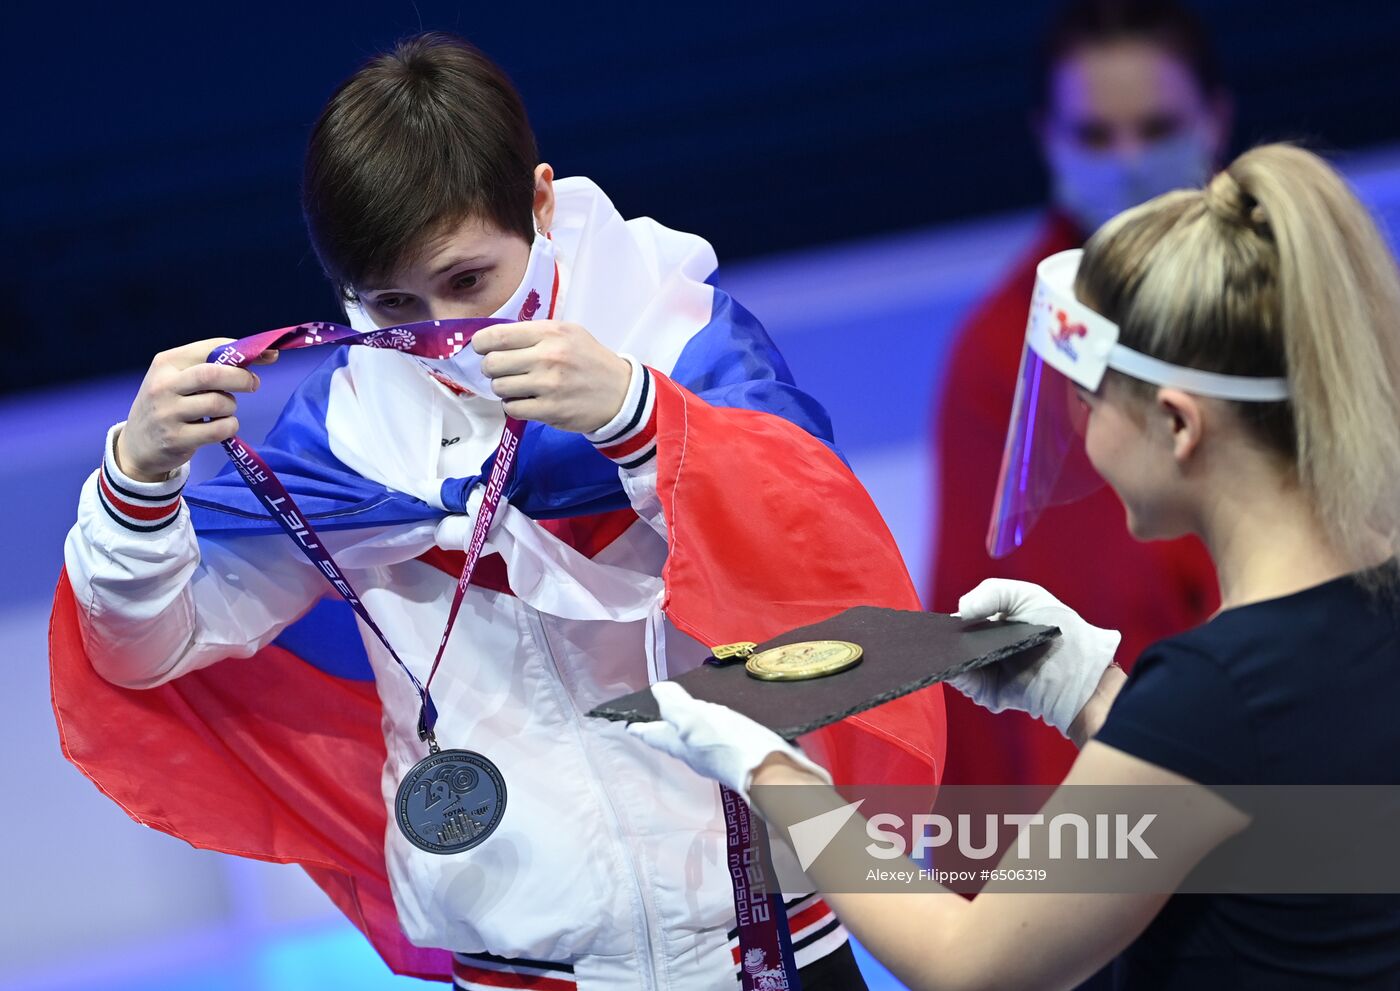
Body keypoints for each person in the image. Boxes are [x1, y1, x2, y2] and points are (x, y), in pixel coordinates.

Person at [49, 33, 946, 991]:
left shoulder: (682, 343)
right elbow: (143, 653)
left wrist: (641, 419)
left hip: (776, 949)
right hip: (520, 972)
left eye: (469, 282)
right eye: (393, 303)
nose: (440, 332)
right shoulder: (345, 442)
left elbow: (822, 561)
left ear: (542, 202)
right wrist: (137, 480)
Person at [633, 143, 1400, 987]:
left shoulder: (1214, 690)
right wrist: (1091, 693)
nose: (1078, 432)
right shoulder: (1356, 616)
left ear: (1179, 426)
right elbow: (1265, 812)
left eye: (1089, 399)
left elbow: (971, 964)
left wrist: (774, 771)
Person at [930, 0, 1232, 788]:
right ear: (1048, 138)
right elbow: (990, 639)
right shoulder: (1005, 353)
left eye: (1158, 127)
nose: (1130, 159)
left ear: (1215, 118)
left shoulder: (1295, 307)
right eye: (1097, 135)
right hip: (1103, 794)